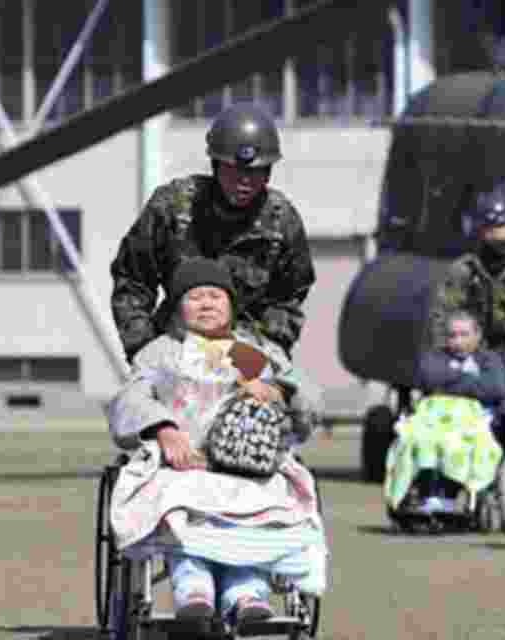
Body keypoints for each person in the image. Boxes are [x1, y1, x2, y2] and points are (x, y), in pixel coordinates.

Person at [106, 258, 327, 624]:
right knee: (178, 505)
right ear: (177, 306)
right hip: (179, 465)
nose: (207, 303)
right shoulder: (160, 352)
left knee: (266, 505)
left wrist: (281, 394)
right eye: (195, 297)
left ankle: (247, 594)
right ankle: (194, 592)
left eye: (215, 296)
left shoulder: (250, 350)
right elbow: (130, 399)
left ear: (231, 306)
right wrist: (163, 428)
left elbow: (308, 396)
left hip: (249, 466)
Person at [110, 103, 316, 363]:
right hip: (175, 344)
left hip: (249, 347)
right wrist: (143, 347)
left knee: (303, 402)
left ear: (268, 173)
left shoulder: (282, 222)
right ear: (215, 165)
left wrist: (268, 348)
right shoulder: (172, 207)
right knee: (133, 403)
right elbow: (132, 281)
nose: (244, 181)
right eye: (234, 170)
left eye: (254, 172)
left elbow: (289, 297)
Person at [429, 177, 505, 495]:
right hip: (476, 355)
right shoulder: (464, 270)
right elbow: (444, 312)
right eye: (489, 228)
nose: (496, 234)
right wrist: (451, 351)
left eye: (502, 227)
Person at [384, 311, 505, 513]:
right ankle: (423, 493)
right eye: (453, 336)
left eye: (464, 335)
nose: (458, 341)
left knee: (457, 444)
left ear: (477, 335)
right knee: (416, 440)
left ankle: (449, 495)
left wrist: (449, 380)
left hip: (473, 423)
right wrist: (471, 382)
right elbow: (429, 378)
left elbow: (495, 388)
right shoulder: (435, 357)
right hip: (434, 420)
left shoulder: (490, 360)